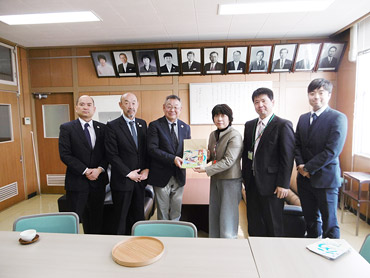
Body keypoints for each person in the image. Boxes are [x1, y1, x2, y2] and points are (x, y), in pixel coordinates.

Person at [295, 78, 347, 239]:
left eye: (321, 93)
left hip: (326, 180)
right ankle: (311, 251)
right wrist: (301, 166)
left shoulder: (338, 118)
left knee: (329, 224)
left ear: (329, 95)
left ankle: (331, 259)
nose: (316, 97)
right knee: (310, 221)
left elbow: (332, 151)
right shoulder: (303, 118)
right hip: (304, 181)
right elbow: (297, 145)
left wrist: (308, 168)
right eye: (312, 93)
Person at [242, 87, 295, 237]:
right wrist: (245, 177)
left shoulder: (283, 125)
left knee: (273, 223)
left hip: (272, 185)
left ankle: (275, 256)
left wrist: (284, 184)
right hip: (252, 183)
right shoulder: (250, 125)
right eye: (256, 102)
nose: (260, 105)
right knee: (253, 222)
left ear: (272, 102)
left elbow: (287, 157)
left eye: (263, 101)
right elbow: (247, 154)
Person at [59, 95, 109, 234]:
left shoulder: (103, 128)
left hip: (98, 182)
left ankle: (94, 244)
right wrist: (85, 170)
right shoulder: (67, 128)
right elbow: (65, 154)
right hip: (77, 181)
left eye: (88, 104)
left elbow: (108, 154)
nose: (85, 107)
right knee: (74, 219)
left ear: (94, 108)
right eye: (82, 104)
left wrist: (99, 169)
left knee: (96, 218)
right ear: (76, 108)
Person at [194, 104, 243, 238]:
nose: (219, 119)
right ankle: (214, 243)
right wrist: (206, 158)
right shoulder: (213, 134)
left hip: (230, 181)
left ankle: (228, 246)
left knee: (228, 217)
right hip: (215, 178)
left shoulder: (235, 135)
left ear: (229, 118)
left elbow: (228, 161)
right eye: (216, 115)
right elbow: (213, 156)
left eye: (223, 115)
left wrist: (206, 168)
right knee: (214, 214)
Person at [105, 93, 149, 235]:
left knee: (138, 218)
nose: (131, 106)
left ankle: (138, 244)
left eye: (134, 103)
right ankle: (120, 246)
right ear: (120, 105)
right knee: (121, 219)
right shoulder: (112, 126)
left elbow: (145, 151)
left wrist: (146, 169)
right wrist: (129, 173)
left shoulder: (142, 124)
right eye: (127, 103)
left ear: (137, 104)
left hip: (140, 181)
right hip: (122, 181)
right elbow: (112, 154)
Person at [147, 95, 191, 220]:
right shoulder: (155, 126)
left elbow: (188, 150)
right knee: (163, 211)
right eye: (169, 107)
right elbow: (152, 149)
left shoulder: (185, 127)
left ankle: (175, 236)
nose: (172, 110)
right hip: (161, 175)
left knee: (177, 210)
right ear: (163, 108)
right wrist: (173, 159)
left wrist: (199, 157)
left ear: (180, 109)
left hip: (179, 175)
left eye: (176, 107)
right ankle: (164, 237)